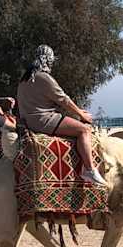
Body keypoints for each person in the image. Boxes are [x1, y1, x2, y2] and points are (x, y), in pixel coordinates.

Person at [16, 45, 107, 187]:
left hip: (28, 121)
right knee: (84, 130)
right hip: (44, 120)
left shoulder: (24, 78)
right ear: (49, 60)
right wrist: (81, 114)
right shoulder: (44, 77)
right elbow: (63, 99)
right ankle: (89, 169)